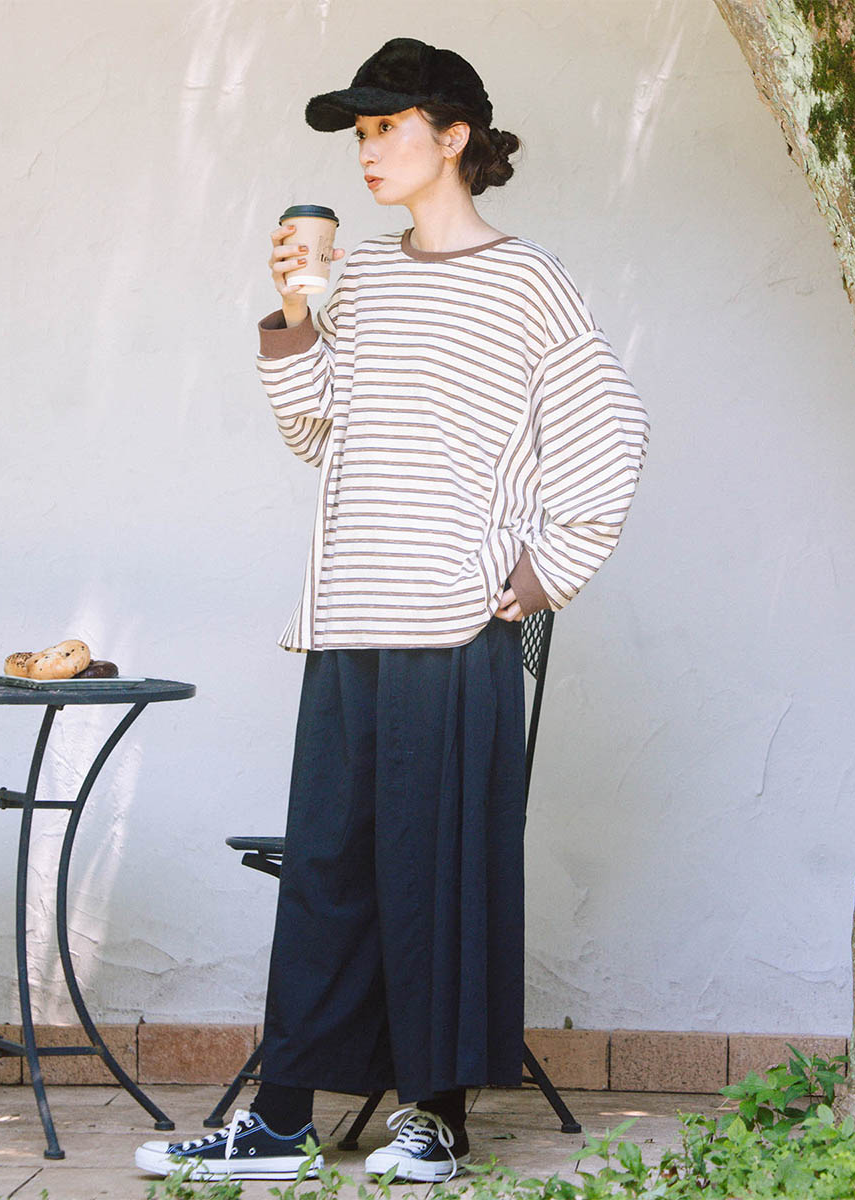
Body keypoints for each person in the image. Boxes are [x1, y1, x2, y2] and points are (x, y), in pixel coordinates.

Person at [136, 35, 650, 1186]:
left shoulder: (526, 281)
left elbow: (610, 423)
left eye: (387, 127)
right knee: (328, 869)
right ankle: (279, 1123)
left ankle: (436, 1119)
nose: (368, 151)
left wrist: (548, 569)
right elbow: (315, 430)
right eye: (359, 133)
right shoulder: (359, 276)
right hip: (348, 618)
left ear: (452, 135)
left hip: (455, 629)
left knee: (437, 874)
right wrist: (295, 310)